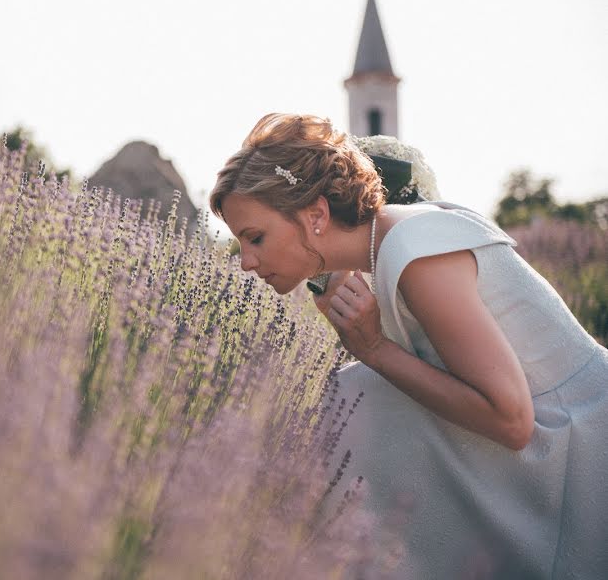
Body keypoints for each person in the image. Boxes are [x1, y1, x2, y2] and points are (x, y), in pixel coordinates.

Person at [210, 113, 608, 579]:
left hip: (582, 451)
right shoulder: (390, 245)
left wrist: (375, 348)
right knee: (356, 393)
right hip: (558, 440)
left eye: (254, 238)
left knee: (361, 394)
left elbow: (513, 420)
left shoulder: (415, 251)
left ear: (316, 215)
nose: (246, 263)